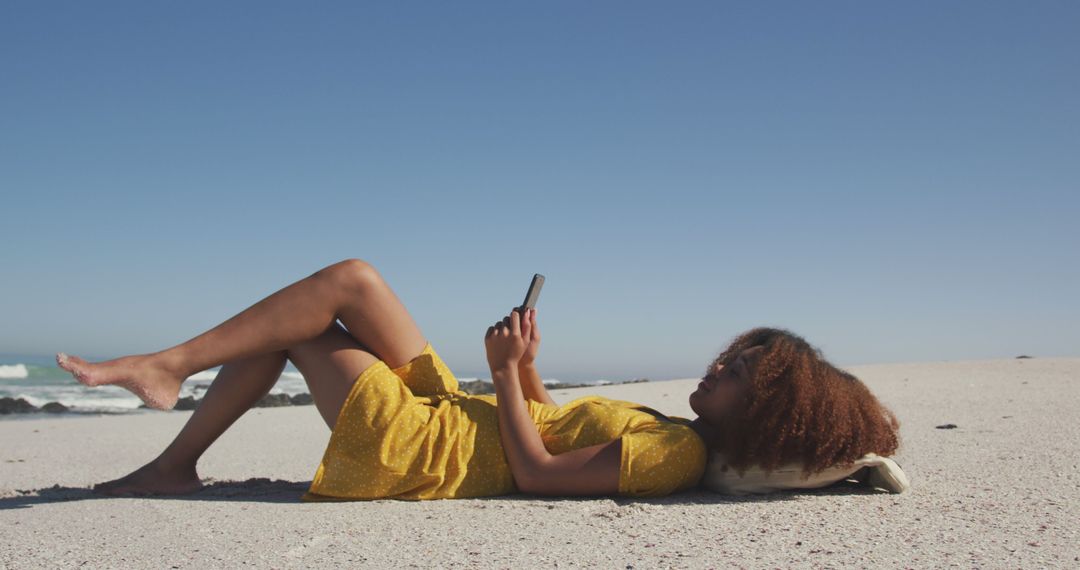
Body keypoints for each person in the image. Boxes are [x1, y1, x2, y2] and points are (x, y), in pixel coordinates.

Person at [56, 258, 901, 499]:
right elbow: (551, 425)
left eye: (736, 373)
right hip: (454, 411)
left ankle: (167, 397)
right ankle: (168, 389)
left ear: (762, 409)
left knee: (302, 328)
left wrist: (500, 378)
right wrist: (527, 369)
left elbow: (535, 473)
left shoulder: (676, 459)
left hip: (425, 448)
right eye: (727, 356)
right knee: (353, 280)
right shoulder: (666, 427)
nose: (715, 369)